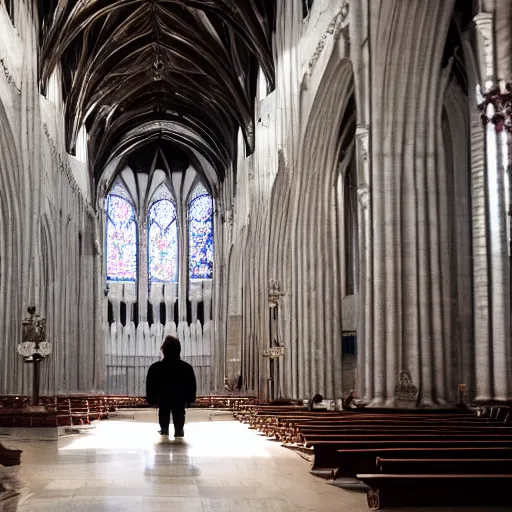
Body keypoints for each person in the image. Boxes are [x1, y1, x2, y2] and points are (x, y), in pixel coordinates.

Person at [146, 336, 197, 439]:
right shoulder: (186, 368)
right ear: (179, 350)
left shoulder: (155, 368)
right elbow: (192, 386)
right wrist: (190, 400)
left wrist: (152, 400)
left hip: (163, 399)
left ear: (164, 350)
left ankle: (164, 430)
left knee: (163, 415)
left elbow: (150, 386)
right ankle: (179, 430)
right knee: (179, 415)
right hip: (180, 400)